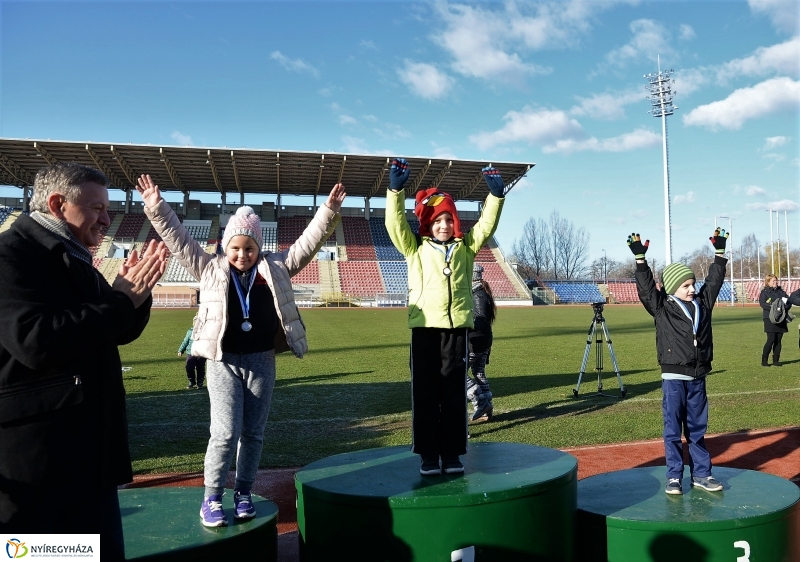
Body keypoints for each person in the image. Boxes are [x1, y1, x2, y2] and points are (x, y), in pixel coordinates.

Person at [136, 174, 344, 527]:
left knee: (253, 433)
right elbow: (178, 240)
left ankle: (244, 492)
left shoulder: (275, 267)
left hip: (261, 360)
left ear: (258, 247)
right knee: (225, 432)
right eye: (235, 247)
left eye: (249, 248)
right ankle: (212, 497)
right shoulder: (209, 267)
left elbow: (308, 243)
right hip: (223, 362)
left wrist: (328, 210)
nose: (242, 254)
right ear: (224, 246)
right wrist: (157, 207)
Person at [0, 163, 167, 560]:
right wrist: (120, 300)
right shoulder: (11, 256)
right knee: (43, 555)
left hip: (88, 458)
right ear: (58, 204)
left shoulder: (72, 255)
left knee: (98, 554)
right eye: (97, 208)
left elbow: (113, 331)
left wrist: (134, 299)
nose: (107, 219)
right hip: (38, 464)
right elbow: (36, 341)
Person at [385, 158, 505, 476]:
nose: (443, 226)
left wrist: (496, 198)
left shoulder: (466, 248)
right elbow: (395, 225)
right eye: (437, 221)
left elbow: (486, 227)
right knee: (425, 394)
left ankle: (452, 454)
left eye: (448, 220)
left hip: (456, 330)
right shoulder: (415, 248)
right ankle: (427, 455)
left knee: (452, 394)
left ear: (455, 222)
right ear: (427, 223)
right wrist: (395, 191)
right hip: (424, 329)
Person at [629, 229, 727, 496]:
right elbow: (647, 289)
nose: (693, 289)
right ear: (673, 288)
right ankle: (674, 477)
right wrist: (641, 261)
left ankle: (702, 474)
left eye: (693, 284)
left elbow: (714, 282)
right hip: (673, 379)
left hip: (697, 377)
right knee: (673, 431)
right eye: (686, 286)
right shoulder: (662, 307)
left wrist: (719, 256)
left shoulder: (703, 303)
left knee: (696, 430)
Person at [466, 263, 496, 421]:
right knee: (478, 372)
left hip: (475, 341)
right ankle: (487, 407)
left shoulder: (477, 294)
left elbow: (481, 318)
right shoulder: (482, 292)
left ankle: (481, 401)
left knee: (459, 373)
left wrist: (466, 326)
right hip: (483, 340)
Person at [759, 274, 791, 367]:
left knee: (778, 340)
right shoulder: (765, 292)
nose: (775, 282)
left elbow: (788, 303)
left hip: (781, 318)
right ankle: (764, 360)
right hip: (769, 318)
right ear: (768, 282)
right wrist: (774, 308)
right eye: (773, 281)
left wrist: (783, 308)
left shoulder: (781, 292)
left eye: (776, 280)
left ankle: (776, 360)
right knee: (771, 339)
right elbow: (762, 304)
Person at [178, 322, 206, 389]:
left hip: (201, 354)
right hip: (190, 353)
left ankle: (200, 382)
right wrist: (180, 350)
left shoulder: (204, 332)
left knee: (201, 368)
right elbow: (185, 342)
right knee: (189, 367)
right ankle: (192, 381)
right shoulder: (190, 332)